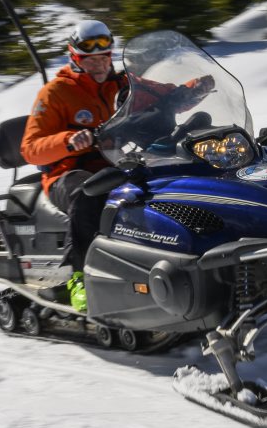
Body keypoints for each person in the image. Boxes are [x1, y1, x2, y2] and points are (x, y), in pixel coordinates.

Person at [20, 20, 214, 312]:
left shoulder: (123, 83)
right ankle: (79, 278)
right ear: (75, 57)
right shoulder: (56, 92)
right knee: (88, 193)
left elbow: (164, 96)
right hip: (67, 172)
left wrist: (194, 88)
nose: (98, 65)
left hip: (115, 161)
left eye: (103, 57)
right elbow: (30, 148)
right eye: (90, 59)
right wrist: (69, 140)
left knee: (166, 179)